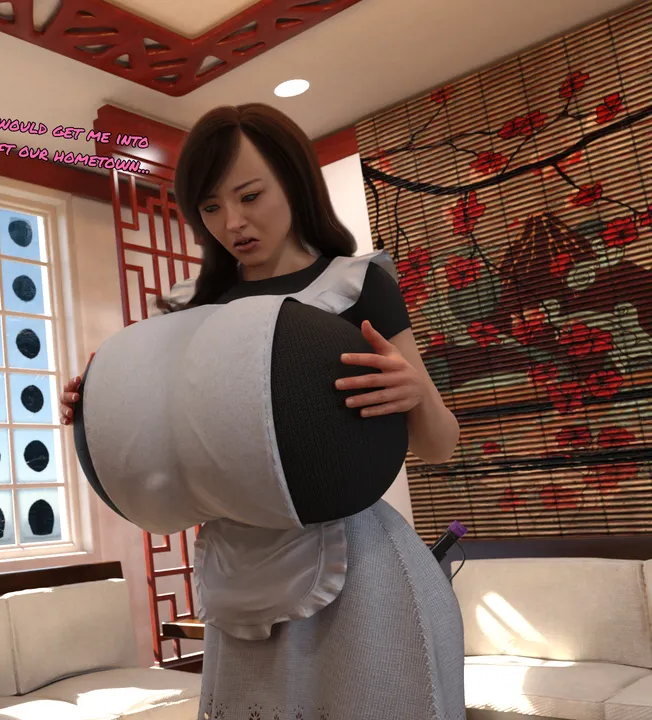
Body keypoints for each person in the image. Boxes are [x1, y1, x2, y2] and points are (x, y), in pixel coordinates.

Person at [60, 105, 465, 718]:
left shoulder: (357, 286)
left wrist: (416, 393)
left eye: (250, 196)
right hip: (239, 569)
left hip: (358, 563)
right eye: (211, 207)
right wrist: (100, 409)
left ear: (294, 182)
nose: (233, 222)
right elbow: (169, 446)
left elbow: (439, 446)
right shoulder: (189, 312)